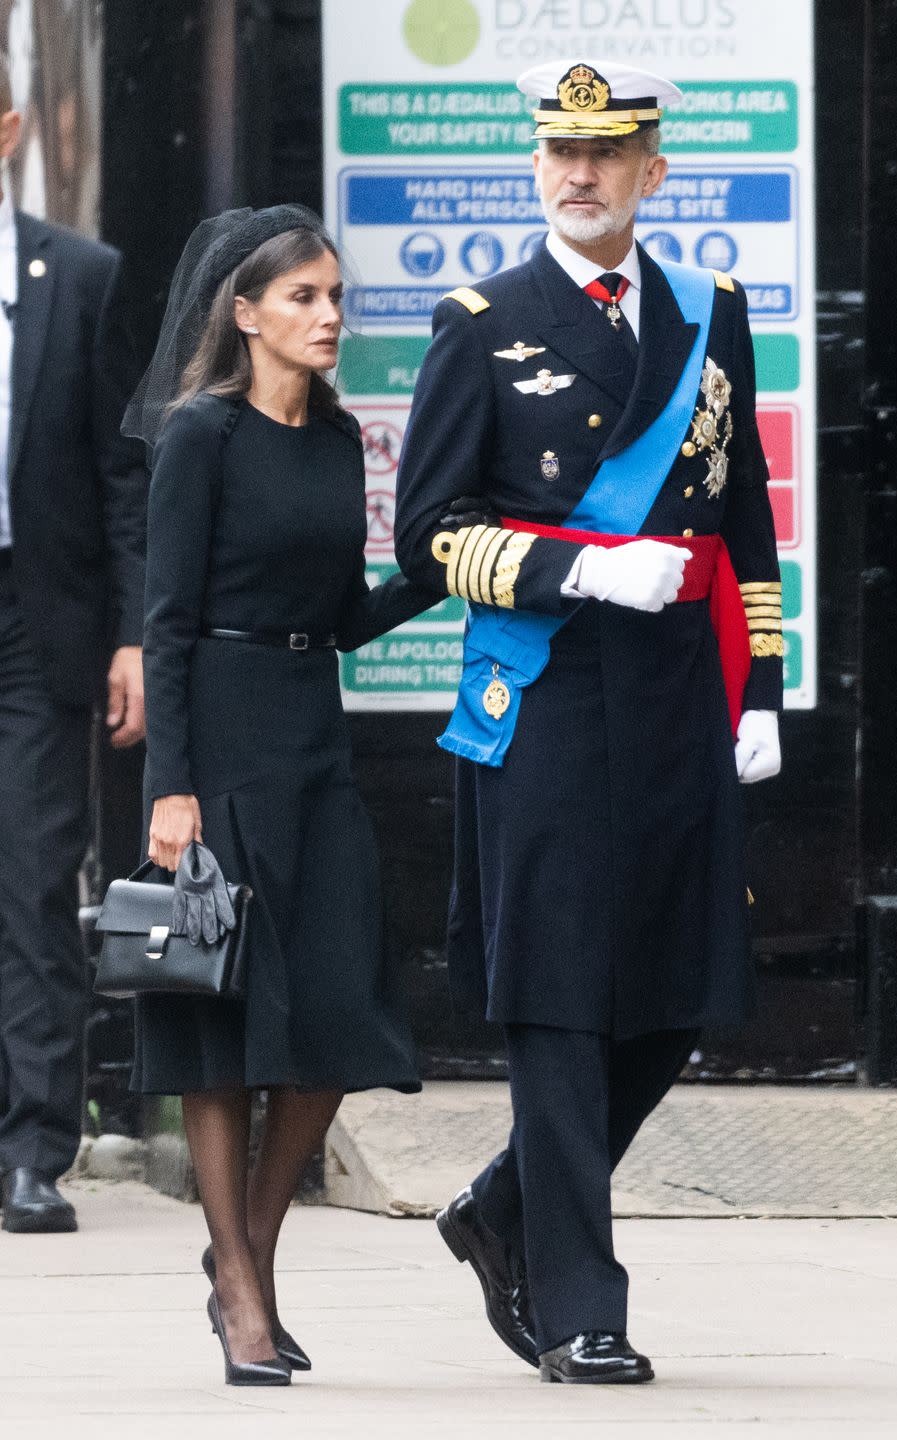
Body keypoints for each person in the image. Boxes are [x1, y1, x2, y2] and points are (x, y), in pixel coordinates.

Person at [394, 61, 782, 1385]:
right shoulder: (479, 319)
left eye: (607, 155)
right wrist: (575, 568)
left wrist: (762, 685)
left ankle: (502, 1205)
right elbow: (430, 536)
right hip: (550, 700)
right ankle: (579, 1302)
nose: (579, 173)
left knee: (677, 996)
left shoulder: (708, 311)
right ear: (536, 164)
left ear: (649, 172)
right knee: (558, 1002)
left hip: (678, 697)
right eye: (560, 152)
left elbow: (743, 518)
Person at [124, 205, 431, 1387]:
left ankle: (239, 1252)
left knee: (330, 1026)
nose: (328, 316)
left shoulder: (338, 437)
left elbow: (345, 614)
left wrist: (441, 568)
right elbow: (167, 621)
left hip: (312, 738)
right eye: (302, 298)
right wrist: (171, 789)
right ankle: (244, 1295)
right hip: (220, 743)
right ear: (244, 314)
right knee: (222, 1032)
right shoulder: (200, 435)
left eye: (335, 297)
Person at [0, 52, 147, 1235]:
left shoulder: (80, 276)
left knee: (35, 881)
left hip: (33, 620)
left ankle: (34, 1150)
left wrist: (134, 635)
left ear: (6, 131)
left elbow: (118, 471)